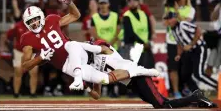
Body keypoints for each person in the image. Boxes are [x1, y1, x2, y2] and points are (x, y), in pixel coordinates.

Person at [20, 0, 159, 91]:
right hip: (66, 65)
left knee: (73, 45)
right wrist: (40, 58)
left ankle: (79, 77)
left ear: (41, 16)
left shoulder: (51, 19)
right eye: (30, 21)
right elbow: (25, 66)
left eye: (36, 19)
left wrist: (70, 3)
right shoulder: (27, 38)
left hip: (76, 51)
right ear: (26, 24)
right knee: (104, 80)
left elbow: (75, 15)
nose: (34, 23)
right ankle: (140, 71)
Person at [84, 40, 217, 109]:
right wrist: (87, 86)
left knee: (162, 105)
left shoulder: (104, 50)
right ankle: (194, 101)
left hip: (138, 76)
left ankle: (196, 97)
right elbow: (97, 95)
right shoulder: (93, 70)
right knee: (162, 103)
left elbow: (100, 45)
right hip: (133, 85)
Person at [163, 11, 218, 91]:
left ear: (174, 19)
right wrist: (178, 54)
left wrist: (191, 44)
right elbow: (179, 44)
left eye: (169, 19)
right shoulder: (173, 30)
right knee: (185, 74)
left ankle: (218, 86)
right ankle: (197, 94)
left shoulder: (182, 24)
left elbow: (198, 30)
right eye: (167, 19)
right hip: (191, 52)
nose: (167, 21)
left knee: (198, 74)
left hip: (199, 48)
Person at [163, 0, 196, 98]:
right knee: (173, 67)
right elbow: (165, 23)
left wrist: (176, 12)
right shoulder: (170, 8)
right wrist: (168, 6)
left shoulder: (190, 9)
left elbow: (186, 24)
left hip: (184, 42)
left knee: (185, 68)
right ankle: (176, 91)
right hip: (172, 41)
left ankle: (185, 89)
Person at [8, 0, 38, 98]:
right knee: (18, 72)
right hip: (19, 51)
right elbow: (9, 36)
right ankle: (16, 93)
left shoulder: (37, 26)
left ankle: (33, 93)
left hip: (32, 51)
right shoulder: (18, 25)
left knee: (34, 72)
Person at [90, 0, 120, 97]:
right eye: (101, 3)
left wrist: (110, 43)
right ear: (99, 5)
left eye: (105, 3)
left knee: (114, 68)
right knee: (101, 68)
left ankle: (114, 89)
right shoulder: (94, 17)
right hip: (100, 48)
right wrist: (103, 44)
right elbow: (94, 33)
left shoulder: (115, 16)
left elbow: (118, 31)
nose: (103, 5)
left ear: (108, 4)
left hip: (113, 47)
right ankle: (104, 89)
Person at [122, 0, 155, 69]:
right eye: (130, 1)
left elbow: (149, 29)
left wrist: (148, 41)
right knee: (133, 70)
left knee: (147, 68)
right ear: (127, 4)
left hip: (145, 47)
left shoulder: (144, 14)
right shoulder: (126, 16)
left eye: (134, 1)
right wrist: (143, 43)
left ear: (138, 2)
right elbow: (130, 33)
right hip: (133, 46)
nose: (132, 3)